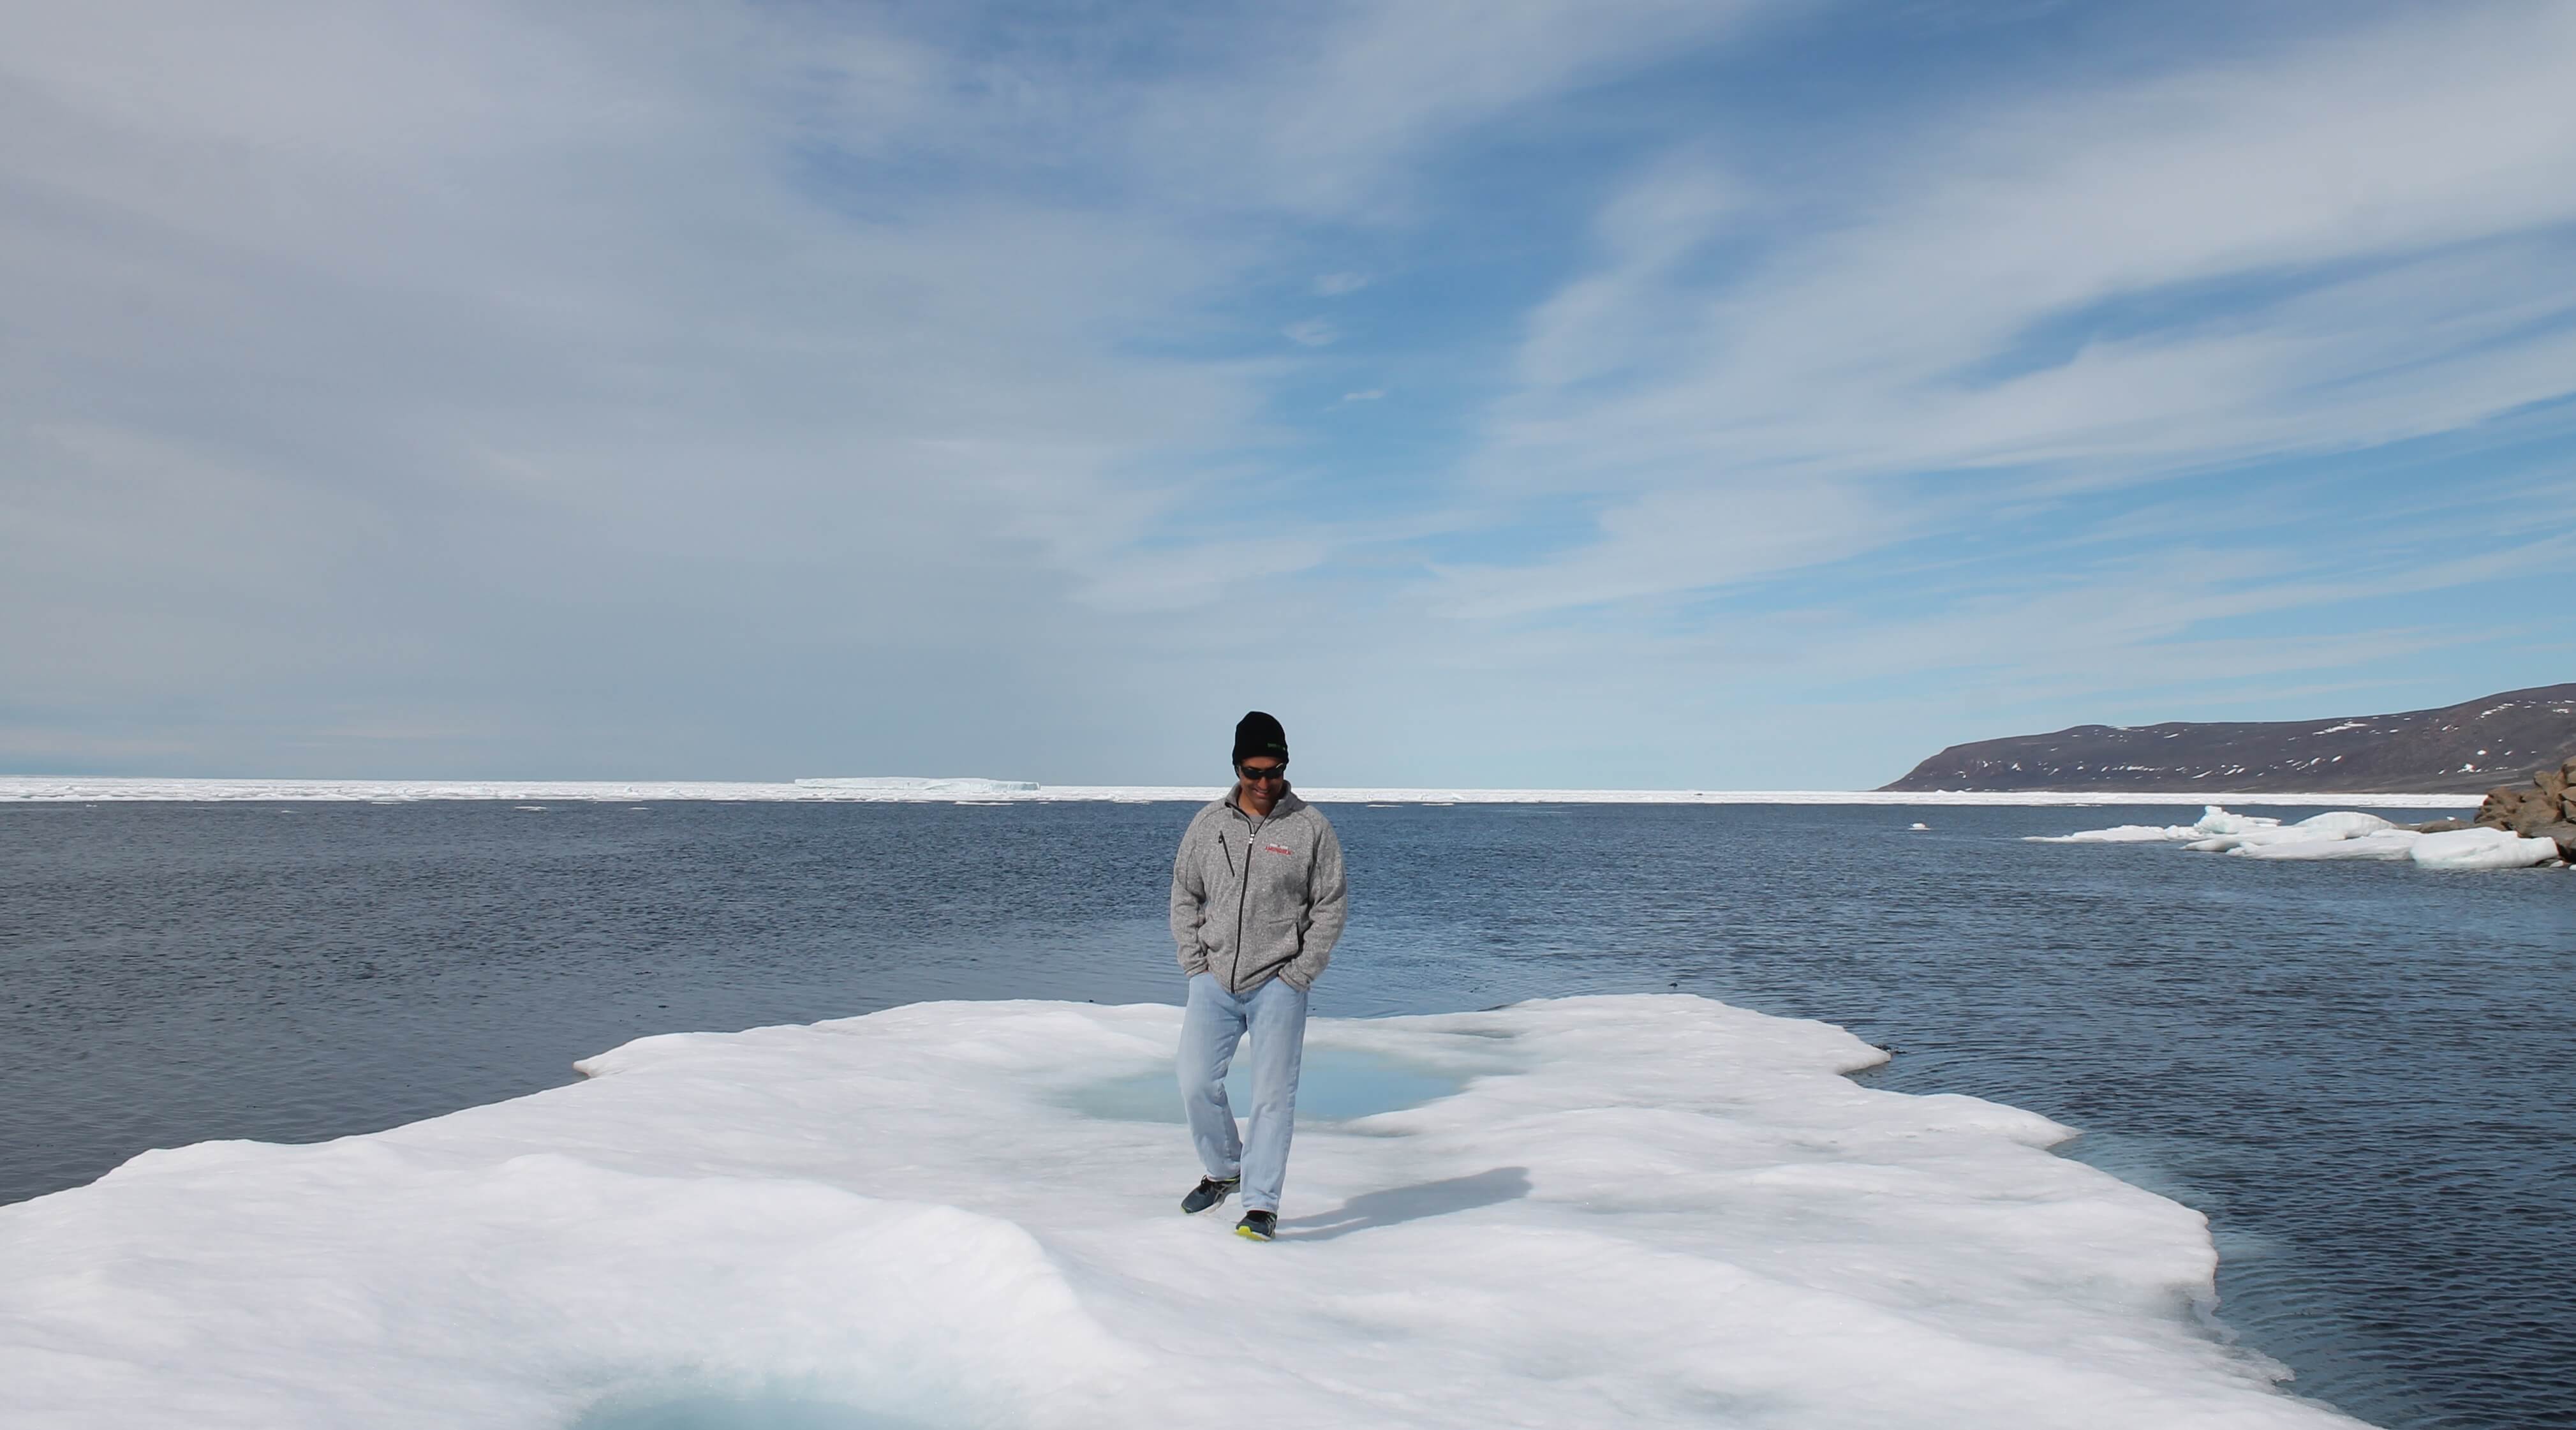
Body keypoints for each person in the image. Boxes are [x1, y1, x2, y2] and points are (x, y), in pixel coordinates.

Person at [1167, 710, 1348, 1241]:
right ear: (1237, 768)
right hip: (1214, 978)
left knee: (1272, 1096)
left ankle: (1261, 1204)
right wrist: (1195, 962)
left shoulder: (1311, 827)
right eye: (1254, 771)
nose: (1265, 783)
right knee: (1195, 1080)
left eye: (1275, 770)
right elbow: (1185, 893)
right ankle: (1224, 1169)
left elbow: (1330, 906)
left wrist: (1300, 972)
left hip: (1279, 984)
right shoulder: (1208, 825)